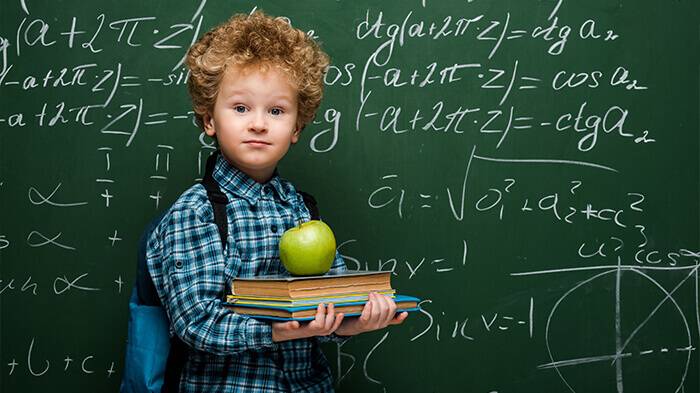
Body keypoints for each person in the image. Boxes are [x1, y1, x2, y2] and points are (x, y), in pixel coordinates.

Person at [146, 10, 408, 392]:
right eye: (240, 108)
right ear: (208, 119)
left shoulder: (301, 210)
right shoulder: (196, 212)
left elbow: (325, 307)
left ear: (297, 127)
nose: (258, 123)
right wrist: (277, 331)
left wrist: (357, 321)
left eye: (276, 110)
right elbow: (197, 322)